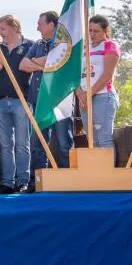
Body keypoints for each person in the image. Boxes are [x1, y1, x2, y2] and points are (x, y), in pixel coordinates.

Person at [20, 10, 74, 180]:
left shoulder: (64, 44)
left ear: (51, 24)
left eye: (40, 24)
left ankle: (67, 181)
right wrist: (45, 66)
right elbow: (23, 65)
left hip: (60, 100)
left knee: (64, 143)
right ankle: (38, 182)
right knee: (37, 143)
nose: (37, 28)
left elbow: (57, 59)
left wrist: (38, 62)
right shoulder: (37, 44)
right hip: (39, 100)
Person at [0, 14, 34, 193]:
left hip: (21, 101)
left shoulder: (29, 46)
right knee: (6, 145)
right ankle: (7, 182)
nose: (0, 32)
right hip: (1, 102)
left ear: (14, 28)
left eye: (3, 29)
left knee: (22, 143)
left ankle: (23, 181)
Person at [78, 15, 122, 151]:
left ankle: (108, 166)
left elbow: (107, 75)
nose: (92, 34)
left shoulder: (110, 45)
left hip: (103, 96)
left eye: (96, 31)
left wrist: (89, 93)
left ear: (105, 30)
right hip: (83, 98)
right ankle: (96, 166)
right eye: (90, 30)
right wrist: (80, 93)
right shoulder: (83, 47)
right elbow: (74, 75)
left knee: (104, 139)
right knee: (92, 141)